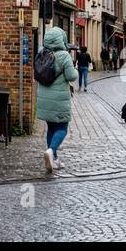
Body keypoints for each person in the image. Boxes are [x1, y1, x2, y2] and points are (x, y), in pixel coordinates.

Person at [36, 24, 79, 173]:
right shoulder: (64, 56)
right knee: (62, 128)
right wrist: (76, 69)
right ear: (61, 39)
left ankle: (53, 159)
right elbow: (72, 76)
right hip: (59, 98)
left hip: (44, 98)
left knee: (51, 128)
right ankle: (51, 151)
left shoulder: (41, 52)